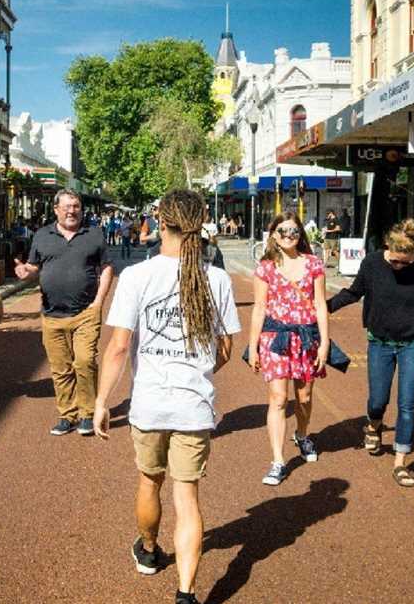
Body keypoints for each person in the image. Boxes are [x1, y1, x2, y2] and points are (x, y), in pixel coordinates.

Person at [93, 189, 240, 604]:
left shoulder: (138, 277)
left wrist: (103, 401)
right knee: (187, 496)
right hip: (194, 404)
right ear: (202, 222)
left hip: (150, 403)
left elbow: (119, 346)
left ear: (161, 222)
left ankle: (149, 550)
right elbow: (225, 347)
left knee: (149, 481)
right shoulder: (217, 278)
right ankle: (186, 593)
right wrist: (199, 368)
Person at [327, 219, 414, 487]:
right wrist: (322, 308)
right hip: (380, 341)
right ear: (388, 247)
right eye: (395, 262)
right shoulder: (374, 263)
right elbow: (354, 293)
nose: (399, 267)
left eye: (405, 262)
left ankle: (400, 463)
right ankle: (374, 424)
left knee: (407, 402)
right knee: (378, 399)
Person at [15, 189, 114, 436]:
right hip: (51, 314)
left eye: (76, 206)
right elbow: (34, 266)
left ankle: (88, 414)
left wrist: (99, 301)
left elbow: (107, 267)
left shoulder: (94, 234)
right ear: (56, 209)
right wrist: (26, 272)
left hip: (86, 312)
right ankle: (67, 414)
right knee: (60, 368)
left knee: (85, 361)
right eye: (67, 207)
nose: (72, 211)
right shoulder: (41, 235)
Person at [248, 212, 329, 486]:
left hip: (306, 337)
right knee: (278, 398)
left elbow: (320, 305)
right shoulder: (265, 268)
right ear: (273, 234)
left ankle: (302, 434)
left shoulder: (314, 264)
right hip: (276, 338)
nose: (288, 235)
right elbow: (259, 307)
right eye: (282, 230)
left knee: (304, 397)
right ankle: (278, 461)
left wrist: (325, 343)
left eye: (293, 231)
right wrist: (253, 346)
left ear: (300, 234)